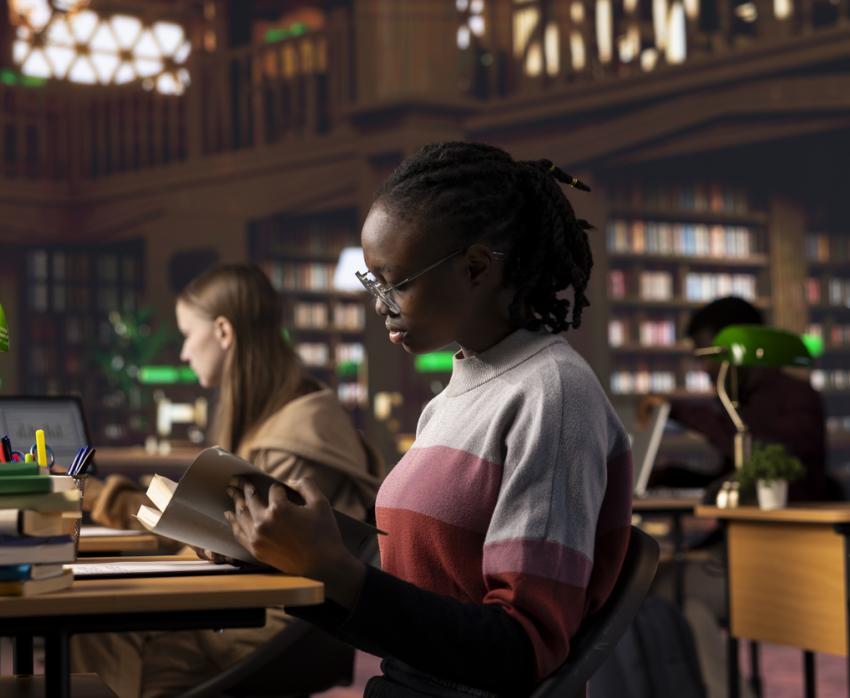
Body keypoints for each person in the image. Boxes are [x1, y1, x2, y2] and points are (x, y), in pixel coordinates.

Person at [223, 142, 633, 697]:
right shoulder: (450, 401)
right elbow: (407, 614)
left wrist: (337, 571)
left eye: (395, 282)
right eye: (373, 283)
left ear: (476, 268)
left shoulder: (551, 394)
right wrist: (277, 555)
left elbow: (520, 651)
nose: (380, 304)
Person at [72, 263, 382, 698]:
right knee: (100, 621)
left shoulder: (290, 439)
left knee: (96, 627)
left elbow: (253, 556)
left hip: (263, 628)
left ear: (222, 331)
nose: (183, 352)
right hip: (256, 615)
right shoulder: (288, 417)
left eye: (186, 333)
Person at [638, 295, 838, 502]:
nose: (705, 368)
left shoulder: (797, 397)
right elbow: (734, 478)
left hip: (792, 526)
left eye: (710, 356)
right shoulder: (739, 400)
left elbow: (761, 459)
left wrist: (678, 410)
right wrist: (667, 476)